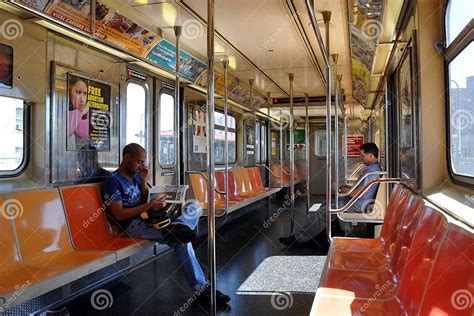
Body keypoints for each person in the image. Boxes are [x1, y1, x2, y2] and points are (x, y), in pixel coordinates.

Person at [102, 143, 230, 306]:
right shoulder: (113, 182)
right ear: (127, 158)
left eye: (143, 162)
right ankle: (201, 289)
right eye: (139, 162)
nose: (142, 166)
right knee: (182, 242)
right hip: (134, 225)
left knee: (194, 206)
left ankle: (179, 227)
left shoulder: (136, 176)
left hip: (150, 219)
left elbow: (144, 199)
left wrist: (143, 181)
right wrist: (149, 206)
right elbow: (119, 214)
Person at [279, 142, 382, 246]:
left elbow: (357, 193)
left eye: (363, 156)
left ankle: (299, 239)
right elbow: (359, 189)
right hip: (354, 201)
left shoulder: (372, 172)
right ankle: (315, 235)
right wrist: (343, 187)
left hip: (357, 204)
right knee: (324, 205)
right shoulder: (371, 169)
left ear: (371, 155)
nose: (361, 158)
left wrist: (340, 189)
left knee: (324, 212)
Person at [68, 78, 90, 149]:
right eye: (78, 92)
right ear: (69, 93)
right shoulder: (65, 115)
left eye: (85, 94)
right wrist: (82, 112)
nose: (82, 99)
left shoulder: (89, 114)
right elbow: (67, 130)